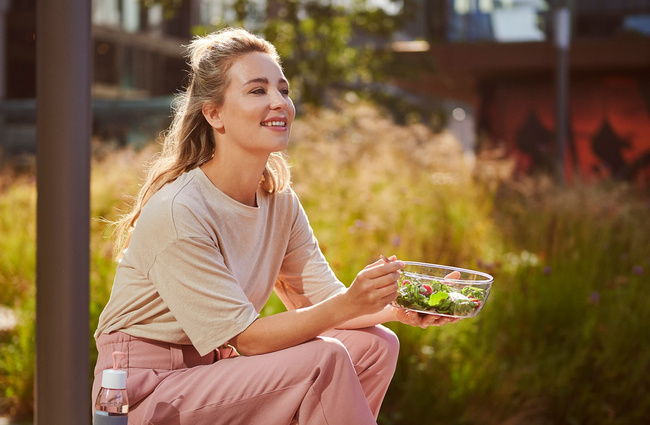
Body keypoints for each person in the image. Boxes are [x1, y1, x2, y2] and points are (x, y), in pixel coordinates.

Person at [92, 27, 457, 425]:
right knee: (325, 357)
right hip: (144, 392)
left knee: (374, 345)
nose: (279, 102)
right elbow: (248, 339)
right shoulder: (180, 211)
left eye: (283, 90)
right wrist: (352, 301)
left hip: (213, 374)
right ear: (214, 114)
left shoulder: (280, 203)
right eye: (257, 91)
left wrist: (399, 307)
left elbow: (318, 302)